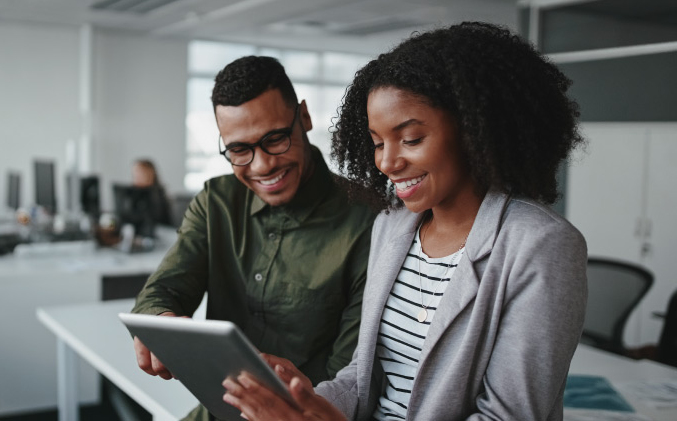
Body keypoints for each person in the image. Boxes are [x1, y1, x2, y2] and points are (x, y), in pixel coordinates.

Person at [221, 22, 588, 421]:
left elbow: (509, 416)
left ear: (474, 128)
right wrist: (305, 401)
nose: (387, 162)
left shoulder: (541, 245)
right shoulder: (391, 227)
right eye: (377, 143)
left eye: (411, 139)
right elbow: (363, 379)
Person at [131, 56, 376, 421]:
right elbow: (160, 292)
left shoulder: (370, 222)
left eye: (275, 139)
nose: (262, 166)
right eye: (239, 150)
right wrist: (161, 322)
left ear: (304, 118)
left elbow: (350, 380)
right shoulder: (216, 201)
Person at [131, 158, 173, 225]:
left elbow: (152, 221)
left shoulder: (158, 195)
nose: (136, 178)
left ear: (150, 174)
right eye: (134, 175)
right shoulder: (133, 194)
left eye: (139, 174)